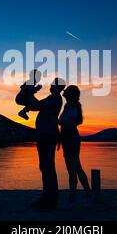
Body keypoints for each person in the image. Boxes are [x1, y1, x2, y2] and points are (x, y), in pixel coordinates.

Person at [29, 78, 66, 210]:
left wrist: (29, 94)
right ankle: (48, 198)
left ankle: (49, 200)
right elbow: (38, 105)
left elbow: (36, 106)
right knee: (46, 166)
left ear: (57, 87)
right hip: (47, 134)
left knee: (47, 166)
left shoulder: (54, 98)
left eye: (52, 84)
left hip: (47, 135)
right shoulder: (54, 98)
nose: (50, 86)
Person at [59, 85, 91, 206]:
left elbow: (71, 125)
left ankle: (72, 197)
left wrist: (58, 122)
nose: (64, 91)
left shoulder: (73, 106)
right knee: (77, 168)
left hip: (71, 138)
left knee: (73, 170)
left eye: (66, 90)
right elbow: (65, 123)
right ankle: (88, 193)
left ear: (71, 94)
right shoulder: (67, 106)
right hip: (67, 138)